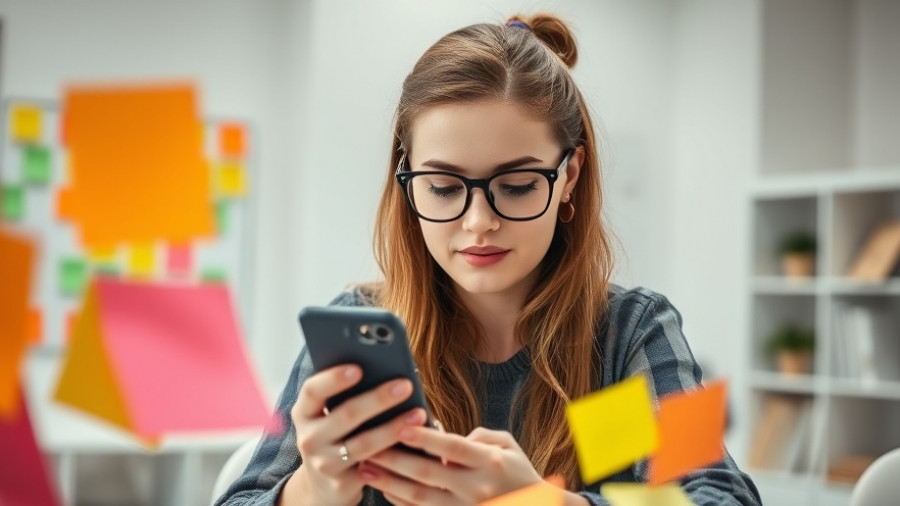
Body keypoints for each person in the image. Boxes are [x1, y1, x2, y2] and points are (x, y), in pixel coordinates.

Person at [216, 13, 761, 506]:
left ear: (569, 176)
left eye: (519, 185)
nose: (478, 222)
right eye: (444, 187)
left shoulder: (625, 337)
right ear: (408, 182)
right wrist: (315, 489)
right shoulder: (363, 331)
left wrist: (541, 505)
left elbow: (717, 498)